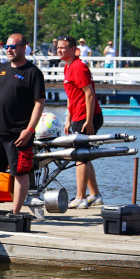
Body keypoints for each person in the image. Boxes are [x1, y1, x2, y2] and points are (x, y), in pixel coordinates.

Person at [0, 33, 46, 215]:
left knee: (20, 173)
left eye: (13, 46)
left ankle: (16, 213)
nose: (9, 50)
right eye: (7, 47)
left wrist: (29, 130)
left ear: (24, 47)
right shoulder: (1, 69)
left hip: (19, 134)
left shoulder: (33, 72)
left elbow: (39, 103)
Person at [57, 36, 104, 209]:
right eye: (58, 48)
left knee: (80, 156)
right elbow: (71, 95)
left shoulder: (78, 67)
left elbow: (89, 94)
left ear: (73, 50)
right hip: (77, 116)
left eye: (63, 48)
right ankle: (95, 195)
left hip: (86, 117)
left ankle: (80, 197)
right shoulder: (67, 67)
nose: (59, 50)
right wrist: (68, 118)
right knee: (84, 155)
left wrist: (90, 121)